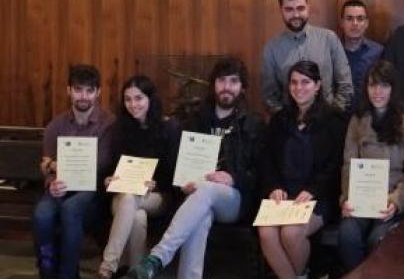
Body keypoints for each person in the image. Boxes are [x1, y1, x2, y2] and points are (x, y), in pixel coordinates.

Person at [126, 57, 264, 279]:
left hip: (235, 199)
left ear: (242, 88)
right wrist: (183, 183)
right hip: (199, 194)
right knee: (200, 214)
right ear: (213, 85)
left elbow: (260, 173)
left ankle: (158, 257)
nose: (227, 87)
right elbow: (177, 164)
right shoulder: (195, 121)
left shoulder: (253, 123)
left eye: (233, 81)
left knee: (207, 190)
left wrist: (233, 178)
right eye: (221, 81)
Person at [258, 61, 345, 279]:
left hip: (316, 197)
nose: (299, 87)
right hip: (284, 196)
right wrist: (274, 186)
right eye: (294, 82)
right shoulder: (279, 120)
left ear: (318, 85)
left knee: (291, 232)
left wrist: (313, 190)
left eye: (305, 82)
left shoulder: (333, 120)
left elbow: (336, 165)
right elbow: (267, 160)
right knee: (266, 232)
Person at [33, 64, 117, 279]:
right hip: (60, 188)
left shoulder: (109, 124)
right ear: (69, 90)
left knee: (71, 208)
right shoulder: (56, 125)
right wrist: (51, 179)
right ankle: (47, 270)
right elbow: (47, 162)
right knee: (42, 215)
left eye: (90, 90)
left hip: (92, 192)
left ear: (98, 92)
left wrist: (55, 164)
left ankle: (68, 275)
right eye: (78, 89)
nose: (84, 96)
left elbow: (102, 164)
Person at [338, 60, 404, 273]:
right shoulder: (357, 120)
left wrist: (396, 201)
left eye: (384, 85)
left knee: (379, 239)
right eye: (372, 85)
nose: (377, 91)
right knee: (347, 235)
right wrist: (346, 199)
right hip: (361, 199)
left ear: (393, 88)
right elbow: (348, 164)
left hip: (390, 200)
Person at [98, 76, 181, 279]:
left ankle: (107, 267)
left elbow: (174, 171)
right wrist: (108, 179)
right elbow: (107, 166)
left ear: (150, 99)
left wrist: (157, 183)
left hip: (157, 195)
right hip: (122, 195)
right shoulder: (119, 129)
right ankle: (137, 272)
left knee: (131, 200)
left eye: (138, 98)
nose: (133, 105)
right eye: (127, 99)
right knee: (136, 214)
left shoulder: (168, 127)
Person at [261, 0, 353, 113]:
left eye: (300, 8)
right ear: (281, 10)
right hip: (289, 126)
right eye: (289, 9)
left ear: (308, 8)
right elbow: (269, 96)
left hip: (328, 122)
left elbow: (345, 86)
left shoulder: (329, 38)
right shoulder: (272, 48)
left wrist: (332, 118)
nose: (296, 14)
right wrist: (286, 122)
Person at [340, 0, 384, 111]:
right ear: (342, 23)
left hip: (369, 117)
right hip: (338, 116)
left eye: (360, 19)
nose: (355, 24)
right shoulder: (332, 51)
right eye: (349, 18)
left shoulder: (379, 52)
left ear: (366, 23)